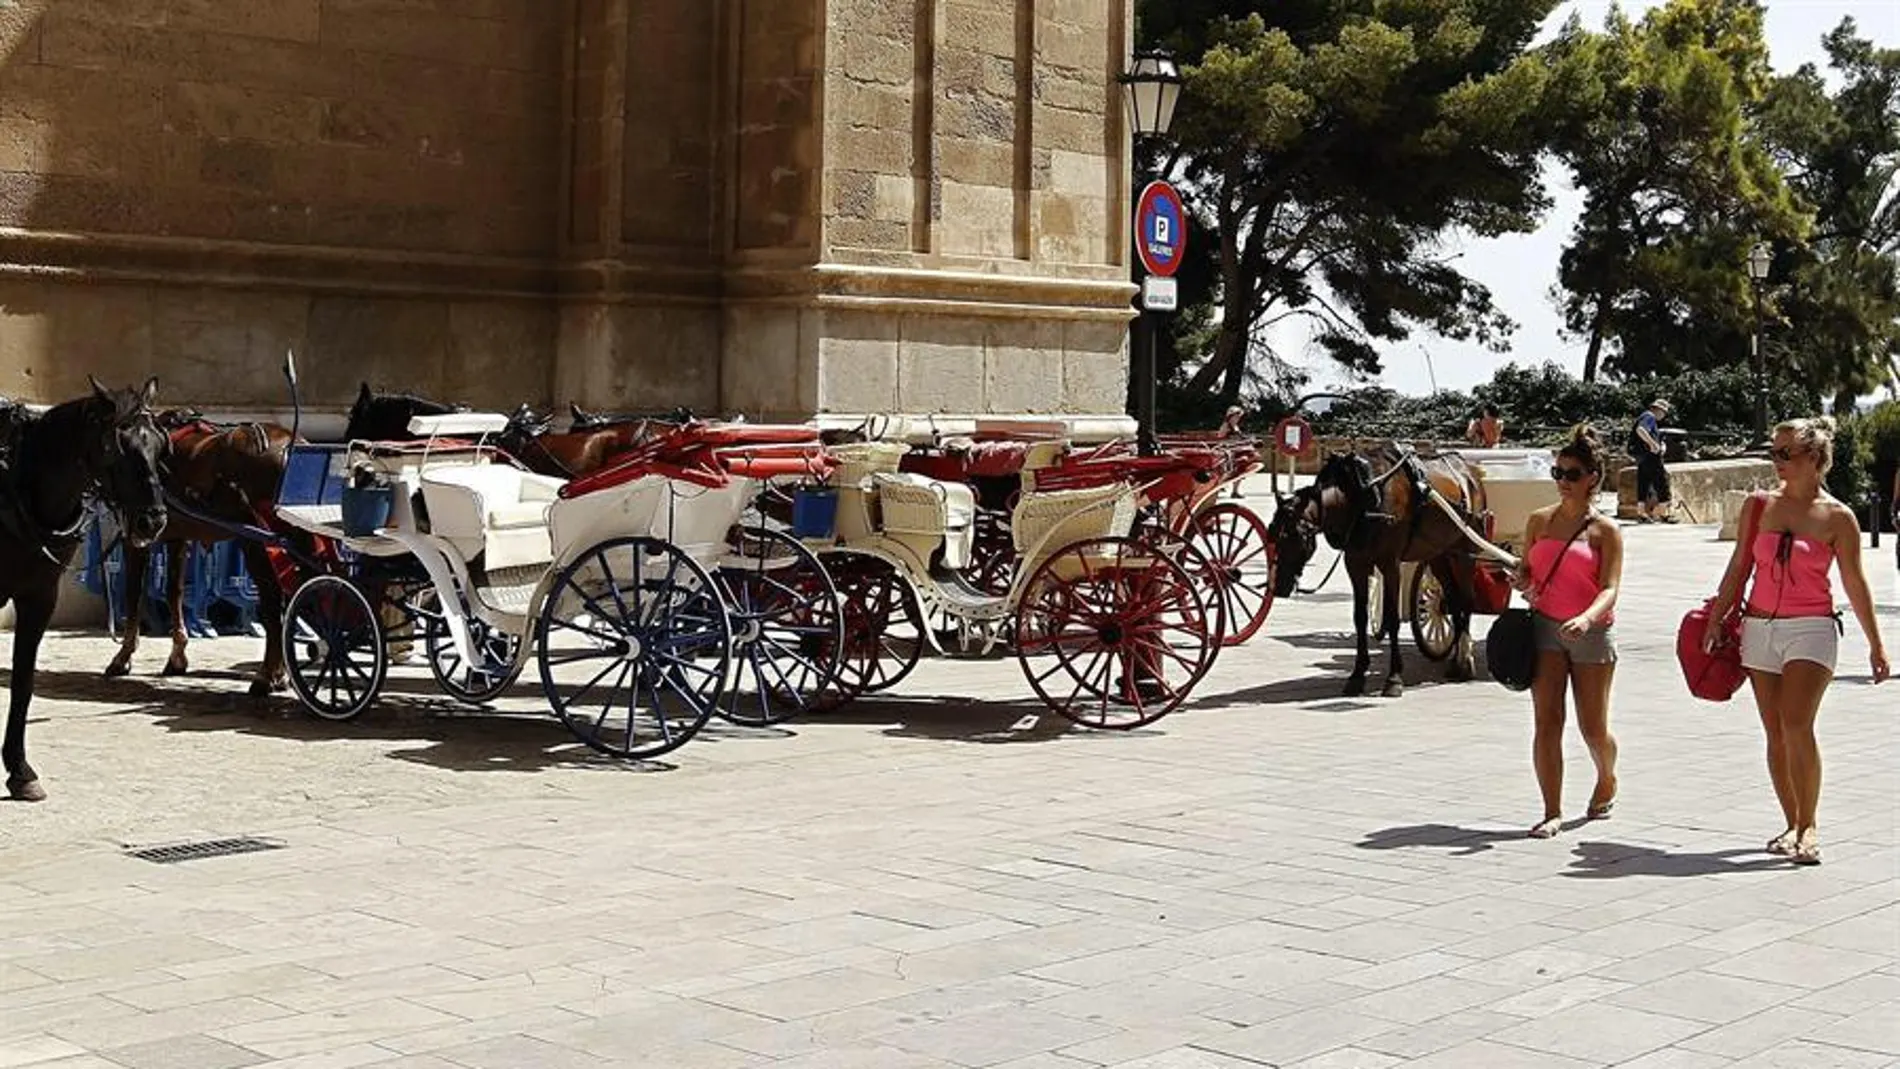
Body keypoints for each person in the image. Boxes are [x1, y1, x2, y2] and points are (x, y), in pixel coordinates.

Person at [1702, 417, 1889, 865]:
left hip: (1812, 628)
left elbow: (1855, 583)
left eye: (1786, 453)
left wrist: (1876, 645)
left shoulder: (1838, 517)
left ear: (1815, 458)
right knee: (1775, 732)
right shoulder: (1758, 505)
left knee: (1796, 724)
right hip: (1759, 628)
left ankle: (1809, 826)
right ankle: (1790, 822)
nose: (1777, 460)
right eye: (1774, 451)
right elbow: (1738, 567)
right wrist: (1716, 617)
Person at [1512, 424, 1624, 839]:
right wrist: (1519, 579)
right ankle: (1551, 810)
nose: (1562, 482)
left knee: (1593, 727)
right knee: (1547, 721)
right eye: (1557, 473)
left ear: (1592, 478)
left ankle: (1607, 775)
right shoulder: (1539, 521)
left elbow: (1611, 587)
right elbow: (1529, 571)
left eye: (1571, 475)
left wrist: (1587, 617)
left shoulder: (1605, 530)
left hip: (1591, 634)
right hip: (1544, 629)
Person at [1630, 398, 1674, 523]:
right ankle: (1661, 513)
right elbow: (1641, 430)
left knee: (1643, 482)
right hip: (1651, 456)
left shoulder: (1644, 417)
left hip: (1643, 457)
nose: (1664, 415)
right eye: (1663, 412)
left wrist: (1660, 444)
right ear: (1658, 410)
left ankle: (1642, 513)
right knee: (1662, 482)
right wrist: (1653, 444)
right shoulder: (1649, 417)